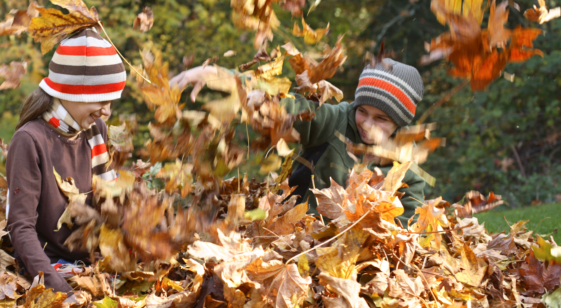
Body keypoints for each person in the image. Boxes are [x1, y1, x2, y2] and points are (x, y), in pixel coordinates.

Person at [171, 58, 426, 219]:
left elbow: (411, 222)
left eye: (381, 119)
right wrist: (220, 76)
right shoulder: (334, 121)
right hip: (295, 239)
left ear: (400, 122)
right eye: (362, 112)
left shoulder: (405, 164)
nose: (368, 125)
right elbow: (285, 107)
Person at [6, 28, 126, 293]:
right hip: (49, 270)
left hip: (94, 263)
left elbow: (108, 205)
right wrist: (62, 291)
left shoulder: (95, 132)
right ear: (74, 93)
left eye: (111, 102)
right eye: (101, 100)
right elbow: (21, 228)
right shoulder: (30, 140)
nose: (107, 111)